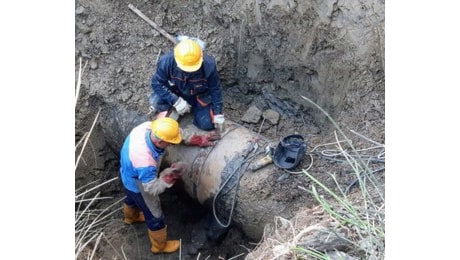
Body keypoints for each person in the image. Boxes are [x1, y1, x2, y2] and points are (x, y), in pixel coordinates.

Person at [119, 117, 220, 254]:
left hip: (126, 173)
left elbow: (174, 133)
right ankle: (159, 247)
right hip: (138, 184)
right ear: (160, 141)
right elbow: (152, 188)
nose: (171, 145)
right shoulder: (145, 162)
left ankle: (131, 218)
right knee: (155, 215)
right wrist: (168, 177)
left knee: (131, 199)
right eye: (169, 143)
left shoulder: (149, 128)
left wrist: (195, 139)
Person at [149, 37, 225, 131]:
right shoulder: (166, 62)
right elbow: (157, 83)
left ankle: (193, 110)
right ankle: (173, 109)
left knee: (207, 124)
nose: (189, 72)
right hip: (176, 91)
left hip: (198, 97)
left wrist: (218, 113)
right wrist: (175, 101)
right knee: (155, 101)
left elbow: (215, 89)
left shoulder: (209, 65)